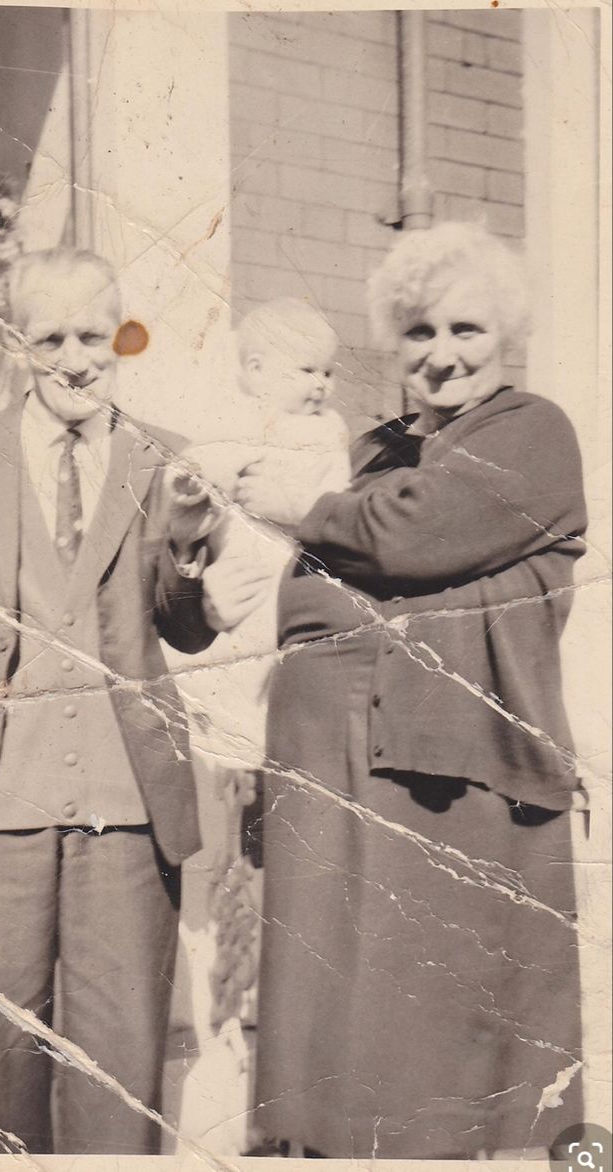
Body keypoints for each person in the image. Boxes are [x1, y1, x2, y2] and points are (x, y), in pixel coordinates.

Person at [0, 248, 261, 1156]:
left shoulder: (158, 456)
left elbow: (178, 626)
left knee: (119, 1073)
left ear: (121, 338)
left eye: (94, 335)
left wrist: (195, 568)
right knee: (0, 1068)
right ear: (15, 344)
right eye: (48, 336)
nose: (75, 357)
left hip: (129, 811)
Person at [234, 223, 588, 1159]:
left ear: (503, 333)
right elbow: (331, 578)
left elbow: (416, 535)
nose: (442, 355)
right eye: (419, 333)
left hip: (457, 766)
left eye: (465, 330)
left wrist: (306, 514)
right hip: (344, 759)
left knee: (439, 1035)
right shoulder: (376, 451)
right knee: (342, 1022)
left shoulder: (530, 430)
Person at [169, 296, 350, 770]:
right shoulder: (240, 419)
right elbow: (204, 470)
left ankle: (261, 744)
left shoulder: (331, 430)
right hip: (244, 554)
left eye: (328, 373)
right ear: (256, 371)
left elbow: (339, 498)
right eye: (306, 370)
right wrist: (194, 486)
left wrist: (299, 505)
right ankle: (229, 741)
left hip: (296, 560)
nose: (321, 384)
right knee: (239, 643)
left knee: (281, 652)